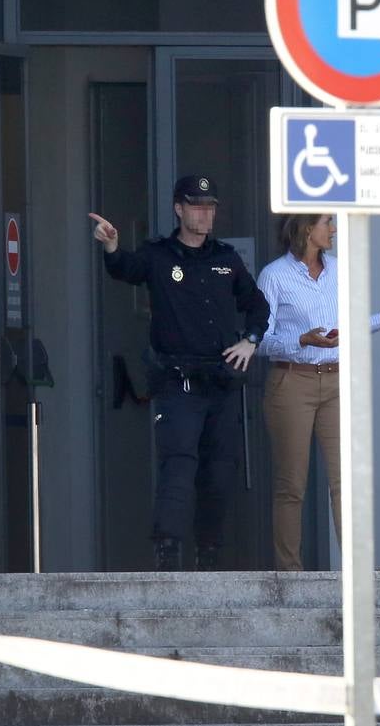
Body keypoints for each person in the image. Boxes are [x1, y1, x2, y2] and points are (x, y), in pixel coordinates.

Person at [89, 175, 270, 571]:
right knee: (179, 465)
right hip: (178, 383)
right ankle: (168, 552)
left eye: (211, 206)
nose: (206, 214)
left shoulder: (226, 259)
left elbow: (257, 305)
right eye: (198, 206)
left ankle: (209, 553)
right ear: (179, 209)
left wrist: (251, 341)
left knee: (220, 471)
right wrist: (112, 245)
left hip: (221, 383)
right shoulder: (159, 255)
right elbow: (126, 268)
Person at [257, 213, 380, 571]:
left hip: (336, 382)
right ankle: (291, 574)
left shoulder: (338, 269)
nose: (333, 229)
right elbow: (261, 341)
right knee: (292, 484)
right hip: (291, 382)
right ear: (305, 228)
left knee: (345, 482)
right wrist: (302, 339)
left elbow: (346, 326)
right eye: (326, 222)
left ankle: (357, 572)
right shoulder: (274, 276)